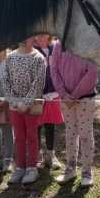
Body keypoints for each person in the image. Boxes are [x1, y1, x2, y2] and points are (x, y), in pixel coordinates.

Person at [49, 44, 98, 187]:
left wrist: (75, 95)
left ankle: (87, 172)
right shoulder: (59, 45)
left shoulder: (88, 44)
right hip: (65, 99)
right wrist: (63, 94)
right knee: (70, 133)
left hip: (85, 98)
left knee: (85, 134)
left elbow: (92, 71)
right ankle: (70, 169)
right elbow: (54, 69)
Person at [3, 37, 46, 186]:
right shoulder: (10, 57)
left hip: (32, 105)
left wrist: (26, 103)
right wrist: (15, 102)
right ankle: (20, 167)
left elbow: (38, 83)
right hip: (15, 107)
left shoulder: (39, 58)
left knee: (32, 136)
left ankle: (32, 168)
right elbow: (5, 81)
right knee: (19, 137)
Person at [34, 34, 63, 170]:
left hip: (53, 94)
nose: (40, 37)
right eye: (37, 35)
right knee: (36, 126)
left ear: (49, 35)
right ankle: (38, 155)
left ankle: (51, 155)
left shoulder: (55, 47)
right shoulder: (32, 49)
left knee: (50, 125)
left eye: (43, 35)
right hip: (37, 95)